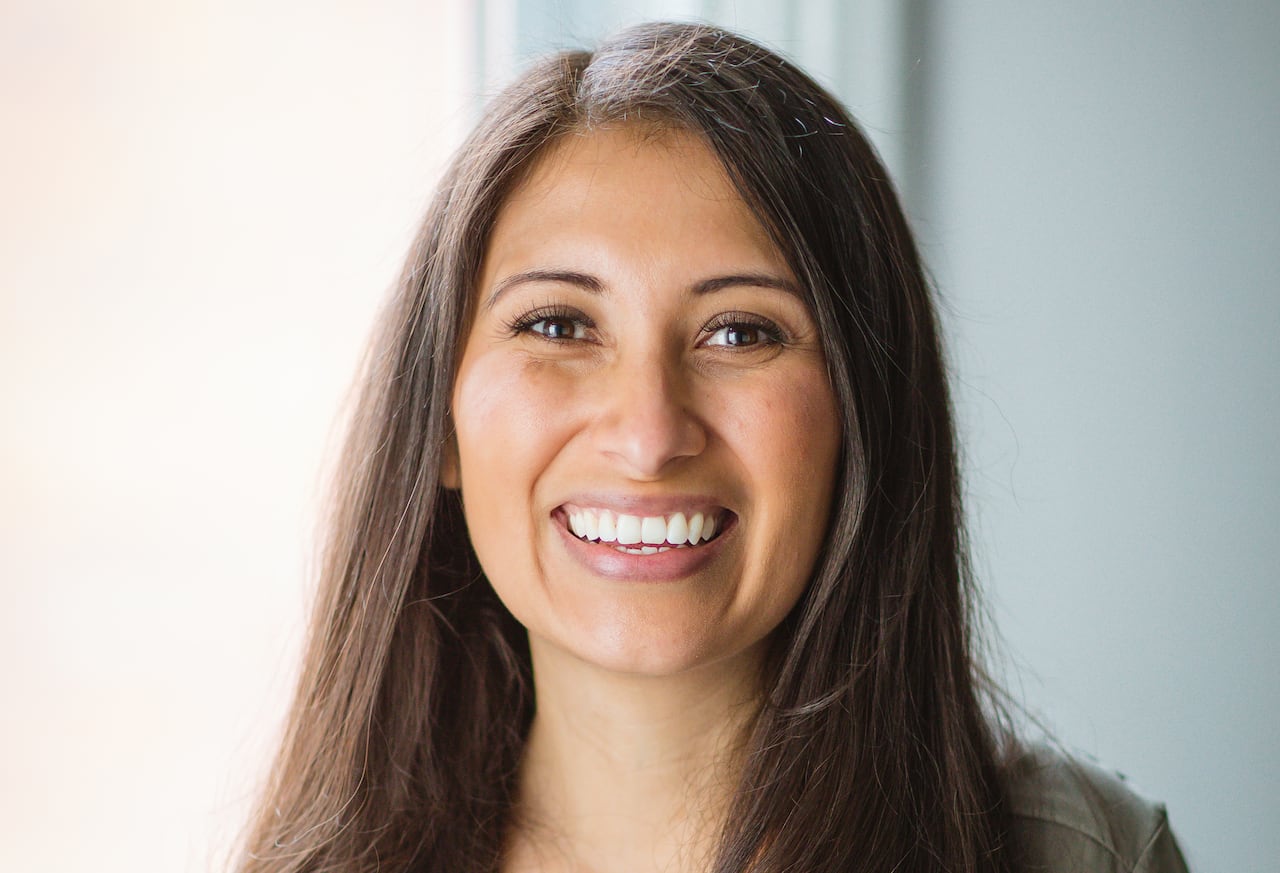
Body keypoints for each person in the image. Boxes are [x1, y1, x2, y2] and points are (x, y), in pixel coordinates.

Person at [236, 21, 1190, 873]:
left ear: (862, 413)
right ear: (439, 422)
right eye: (559, 325)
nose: (650, 435)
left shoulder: (1079, 856)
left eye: (740, 332)